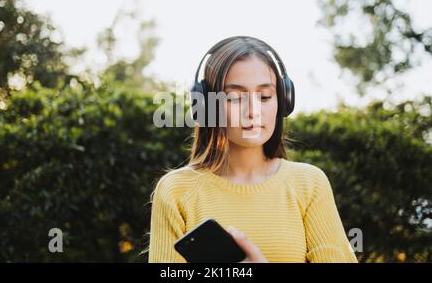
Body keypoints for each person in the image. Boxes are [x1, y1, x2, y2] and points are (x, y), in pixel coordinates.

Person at [147, 36, 358, 263]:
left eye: (265, 96)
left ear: (283, 101)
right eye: (235, 98)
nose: (253, 111)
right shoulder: (175, 191)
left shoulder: (309, 184)